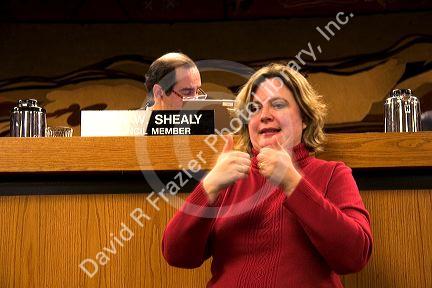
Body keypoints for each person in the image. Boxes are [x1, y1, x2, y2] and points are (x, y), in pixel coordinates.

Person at [162, 63, 373, 287]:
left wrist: (293, 183)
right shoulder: (227, 178)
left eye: (278, 105)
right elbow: (176, 254)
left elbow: (355, 256)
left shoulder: (332, 174)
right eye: (254, 109)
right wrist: (209, 186)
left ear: (304, 118)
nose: (264, 116)